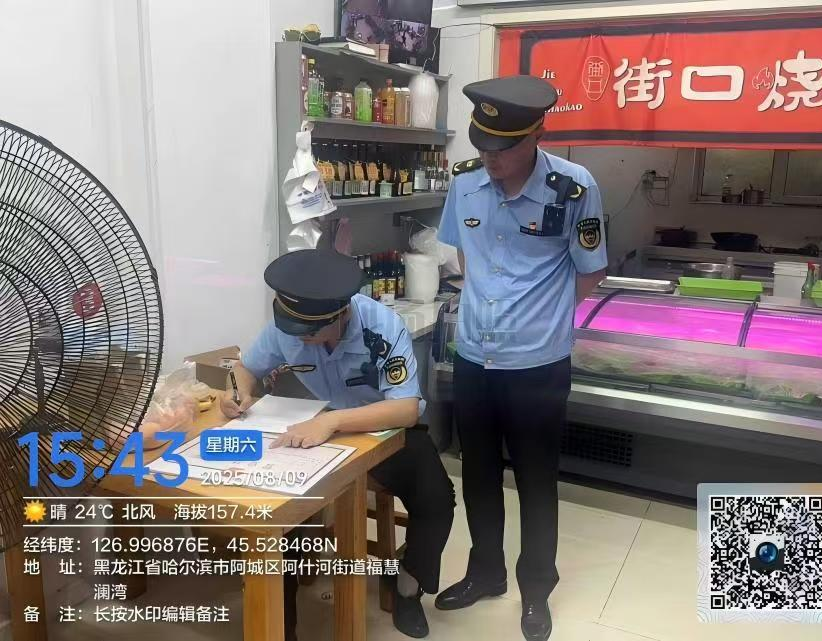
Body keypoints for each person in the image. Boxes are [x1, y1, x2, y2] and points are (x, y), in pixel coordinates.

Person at [434, 75, 608, 641]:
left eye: (504, 148)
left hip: (538, 365)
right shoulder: (465, 182)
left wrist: (541, 320)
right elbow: (466, 255)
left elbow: (591, 272)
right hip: (474, 358)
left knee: (536, 479)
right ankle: (486, 572)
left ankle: (536, 587)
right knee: (477, 472)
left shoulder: (574, 188)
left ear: (537, 135)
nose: (492, 159)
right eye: (483, 146)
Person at [221, 248, 455, 640]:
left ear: (341, 314)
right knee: (282, 515)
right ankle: (282, 627)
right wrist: (237, 392)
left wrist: (332, 422)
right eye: (295, 331)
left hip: (379, 426)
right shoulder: (288, 327)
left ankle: (406, 588)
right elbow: (246, 367)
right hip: (322, 430)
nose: (302, 339)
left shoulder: (381, 326)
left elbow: (405, 409)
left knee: (437, 499)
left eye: (311, 333)